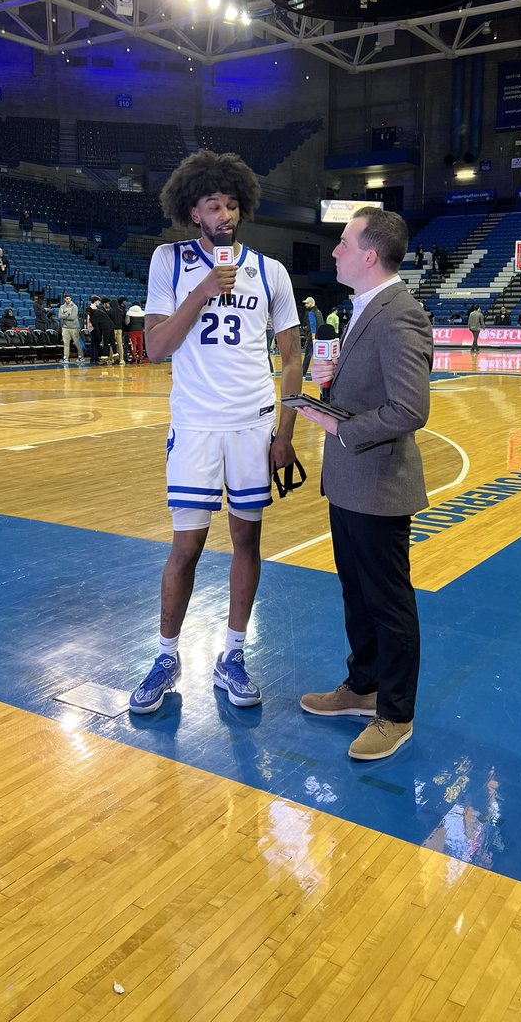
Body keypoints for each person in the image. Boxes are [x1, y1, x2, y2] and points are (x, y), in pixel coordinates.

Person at [128, 149, 302, 716]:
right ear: (192, 210)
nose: (224, 213)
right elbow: (154, 349)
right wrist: (202, 291)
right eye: (212, 204)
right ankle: (166, 655)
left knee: (246, 541)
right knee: (187, 547)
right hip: (196, 427)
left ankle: (232, 654)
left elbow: (293, 358)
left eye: (231, 203)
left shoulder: (271, 271)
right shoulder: (168, 262)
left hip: (253, 427)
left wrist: (285, 431)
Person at [293, 207, 432, 761]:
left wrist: (336, 422)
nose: (334, 251)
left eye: (344, 242)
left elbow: (409, 408)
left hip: (377, 486)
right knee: (357, 595)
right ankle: (363, 687)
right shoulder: (365, 308)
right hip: (350, 483)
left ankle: (395, 714)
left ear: (369, 255)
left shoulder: (400, 315)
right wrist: (333, 391)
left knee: (389, 603)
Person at [58, 293, 86, 366]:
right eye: (66, 299)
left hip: (74, 327)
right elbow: (60, 316)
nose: (68, 300)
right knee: (66, 344)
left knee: (76, 342)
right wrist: (67, 314)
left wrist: (65, 315)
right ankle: (66, 358)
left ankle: (81, 356)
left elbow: (73, 317)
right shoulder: (62, 306)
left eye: (69, 299)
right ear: (64, 299)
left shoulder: (74, 307)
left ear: (71, 299)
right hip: (65, 328)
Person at [302, 295, 323, 376]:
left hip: (312, 337)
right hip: (320, 337)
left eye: (307, 303)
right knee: (319, 357)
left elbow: (313, 325)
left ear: (311, 303)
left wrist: (313, 337)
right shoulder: (319, 312)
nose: (305, 305)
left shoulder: (311, 313)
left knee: (307, 355)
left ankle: (302, 374)